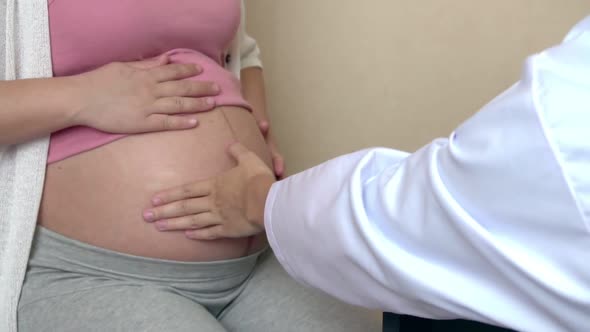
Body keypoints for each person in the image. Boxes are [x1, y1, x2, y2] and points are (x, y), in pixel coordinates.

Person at [143, 15, 590, 332]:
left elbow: (431, 219)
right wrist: (82, 96)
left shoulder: (569, 106)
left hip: (257, 256)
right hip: (117, 272)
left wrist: (260, 199)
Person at [0, 1, 380, 331]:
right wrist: (81, 96)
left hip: (261, 254)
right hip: (98, 273)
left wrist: (258, 128)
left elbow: (241, 51)